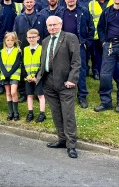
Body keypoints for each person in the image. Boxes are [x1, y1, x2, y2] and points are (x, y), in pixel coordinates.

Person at [36, 16, 80, 159]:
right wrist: (38, 77)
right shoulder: (45, 41)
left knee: (68, 114)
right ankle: (62, 140)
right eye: (49, 25)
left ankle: (71, 145)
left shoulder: (70, 38)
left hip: (65, 83)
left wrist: (72, 79)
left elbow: (76, 61)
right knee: (56, 113)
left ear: (61, 25)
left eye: (55, 25)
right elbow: (44, 62)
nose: (52, 27)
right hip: (49, 82)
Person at [58, 0, 94, 109]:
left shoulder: (83, 11)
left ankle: (82, 96)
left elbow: (91, 28)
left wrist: (86, 43)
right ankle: (65, 95)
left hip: (79, 46)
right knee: (63, 70)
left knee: (81, 71)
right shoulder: (60, 12)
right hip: (63, 46)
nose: (71, 0)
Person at [23, 29, 46, 123]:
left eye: (33, 37)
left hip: (38, 78)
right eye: (29, 37)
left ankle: (42, 114)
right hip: (28, 78)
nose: (31, 39)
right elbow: (22, 64)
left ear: (38, 38)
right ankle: (30, 112)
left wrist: (37, 77)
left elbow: (43, 64)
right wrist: (26, 76)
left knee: (40, 95)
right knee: (29, 95)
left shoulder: (41, 49)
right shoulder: (25, 49)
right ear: (27, 38)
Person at [0, 31, 22, 121]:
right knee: (8, 93)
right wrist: (5, 73)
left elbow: (17, 63)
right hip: (5, 74)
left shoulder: (18, 51)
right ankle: (10, 112)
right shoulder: (2, 51)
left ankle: (16, 112)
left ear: (15, 41)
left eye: (11, 40)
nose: (9, 42)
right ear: (5, 41)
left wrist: (9, 73)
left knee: (13, 92)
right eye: (7, 40)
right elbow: (1, 63)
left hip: (14, 74)